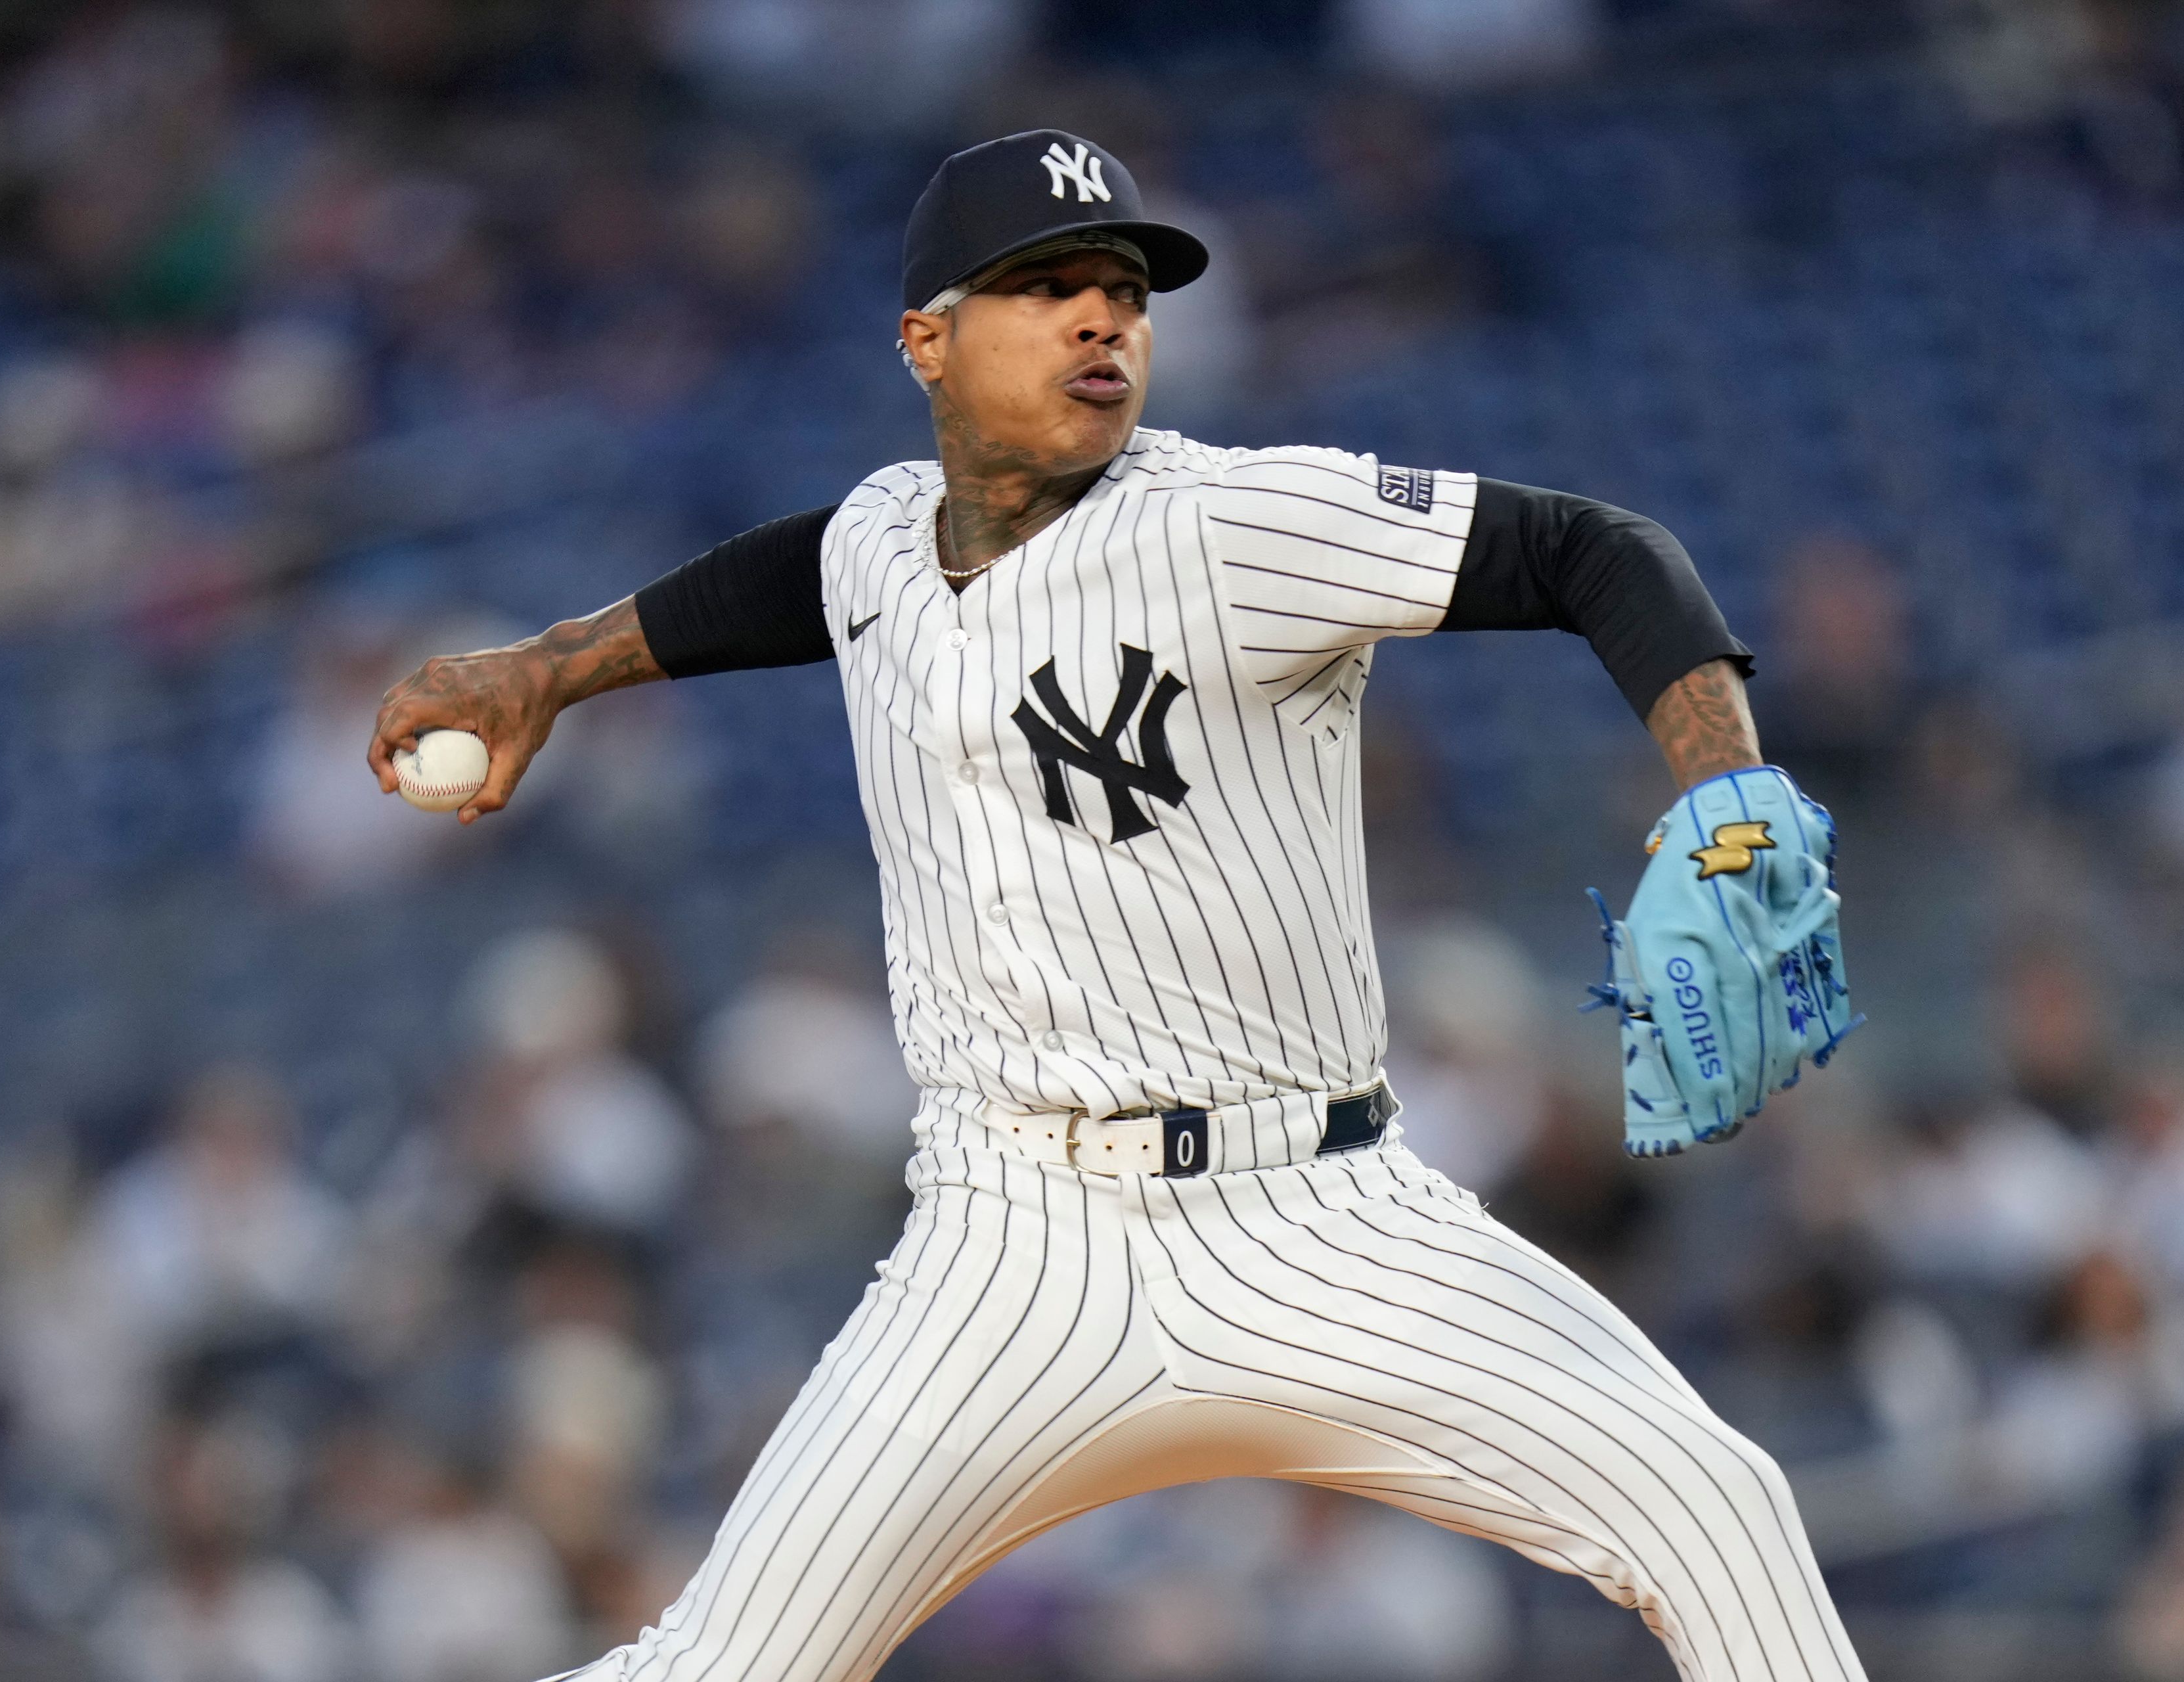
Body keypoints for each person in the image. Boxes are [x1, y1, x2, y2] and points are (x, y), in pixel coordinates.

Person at [369, 129, 1861, 1682]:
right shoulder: (881, 534)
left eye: (1122, 290)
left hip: (1317, 1216)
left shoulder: (1233, 525)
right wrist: (549, 663)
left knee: (1717, 1507)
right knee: (719, 1664)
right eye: (1044, 287)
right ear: (925, 342)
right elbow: (775, 583)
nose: (1101, 319)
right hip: (1003, 1246)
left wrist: (1723, 801)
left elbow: (1595, 550)